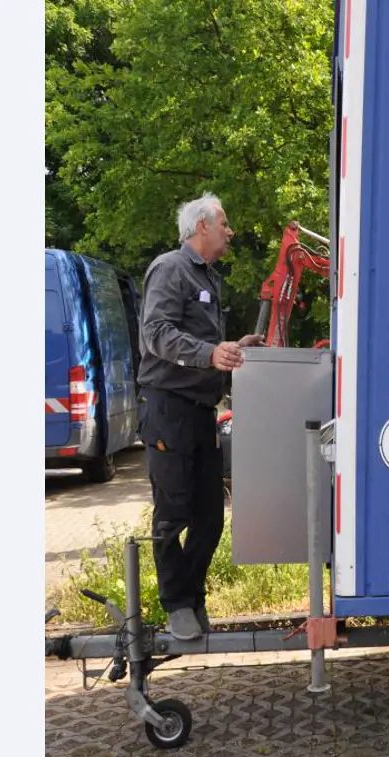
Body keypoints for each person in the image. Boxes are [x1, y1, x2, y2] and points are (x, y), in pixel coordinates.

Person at [137, 192, 264, 640]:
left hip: (199, 413)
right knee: (173, 513)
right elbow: (155, 334)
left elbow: (203, 345)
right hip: (167, 408)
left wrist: (232, 351)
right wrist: (210, 353)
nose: (230, 232)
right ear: (202, 226)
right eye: (225, 224)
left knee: (210, 515)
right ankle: (177, 604)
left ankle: (190, 595)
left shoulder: (209, 276)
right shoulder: (170, 268)